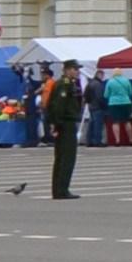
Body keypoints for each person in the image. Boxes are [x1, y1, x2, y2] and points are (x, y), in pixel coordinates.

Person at [41, 62, 83, 200]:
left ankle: (58, 189)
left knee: (61, 158)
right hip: (66, 124)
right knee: (67, 158)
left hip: (64, 123)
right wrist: (56, 124)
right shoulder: (64, 84)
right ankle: (62, 189)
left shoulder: (67, 83)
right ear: (67, 70)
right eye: (75, 69)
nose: (77, 72)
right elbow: (58, 106)